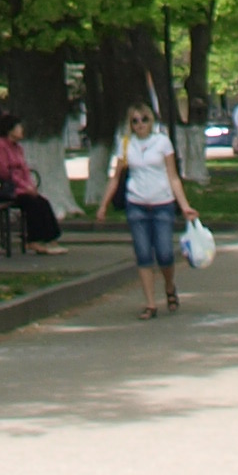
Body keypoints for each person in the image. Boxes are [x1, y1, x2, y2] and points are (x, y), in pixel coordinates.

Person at [97, 99, 194, 317]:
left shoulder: (162, 143)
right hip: (137, 205)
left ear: (151, 121)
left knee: (165, 253)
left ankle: (169, 285)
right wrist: (103, 205)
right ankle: (150, 303)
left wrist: (185, 206)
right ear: (130, 124)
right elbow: (115, 179)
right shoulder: (125, 144)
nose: (140, 124)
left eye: (144, 120)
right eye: (135, 121)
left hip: (162, 204)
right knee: (143, 254)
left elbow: (173, 177)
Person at [0, 104, 65, 249]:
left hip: (21, 188)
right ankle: (33, 240)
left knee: (42, 202)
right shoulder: (0, 146)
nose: (22, 130)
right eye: (19, 127)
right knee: (32, 204)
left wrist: (30, 185)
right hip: (6, 189)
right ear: (10, 130)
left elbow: (24, 170)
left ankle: (51, 238)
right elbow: (5, 173)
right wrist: (24, 187)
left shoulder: (18, 148)